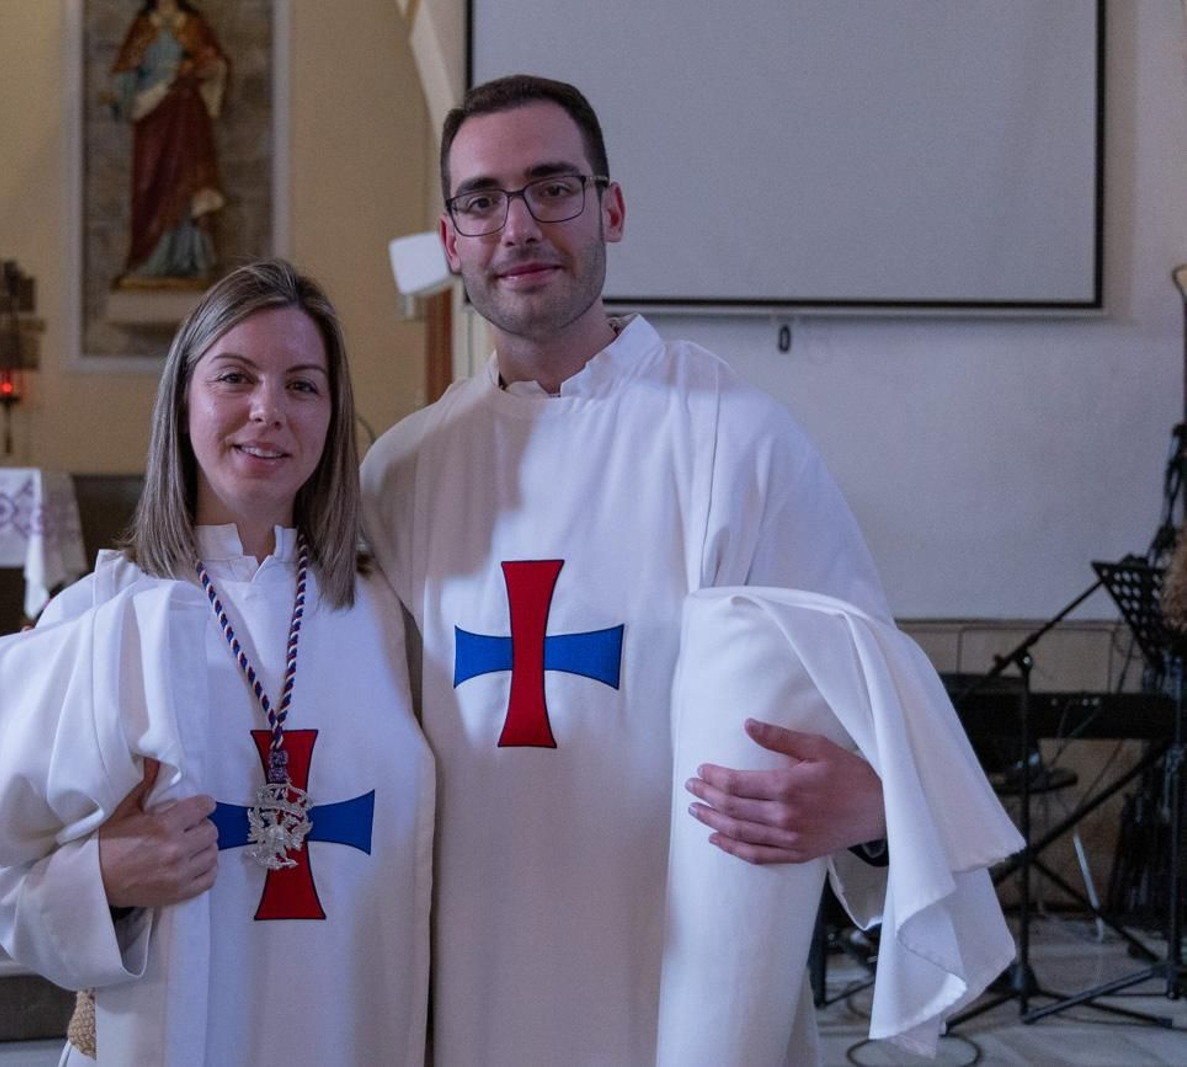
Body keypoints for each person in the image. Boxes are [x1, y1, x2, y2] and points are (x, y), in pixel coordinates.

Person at [357, 74, 894, 1064]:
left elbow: (875, 735)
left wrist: (872, 807)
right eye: (482, 200)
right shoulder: (399, 473)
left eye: (551, 187)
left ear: (609, 208)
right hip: (460, 993)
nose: (517, 224)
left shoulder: (738, 445)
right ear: (450, 243)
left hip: (678, 988)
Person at [0, 259, 433, 1067]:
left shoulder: (386, 616)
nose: (268, 410)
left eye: (302, 385)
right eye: (235, 377)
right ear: (183, 400)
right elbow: (2, 875)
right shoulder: (97, 617)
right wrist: (100, 875)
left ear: (333, 415)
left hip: (354, 1030)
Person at [108, 0, 228, 286]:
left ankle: (191, 258)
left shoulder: (193, 25)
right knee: (152, 184)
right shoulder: (143, 26)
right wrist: (121, 91)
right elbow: (124, 74)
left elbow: (217, 67)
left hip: (188, 117)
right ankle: (150, 259)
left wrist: (206, 66)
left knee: (188, 184)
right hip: (153, 120)